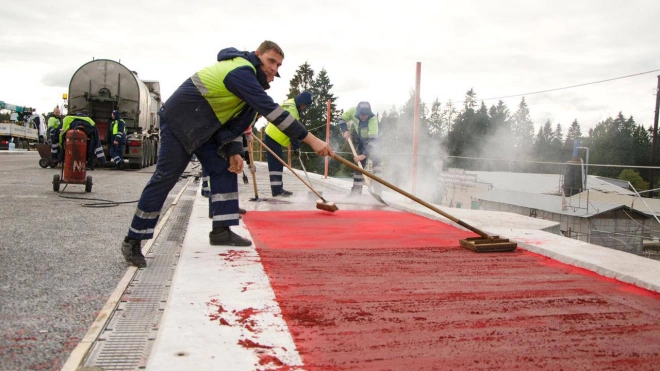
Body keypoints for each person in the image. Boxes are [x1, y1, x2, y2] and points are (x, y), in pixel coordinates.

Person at [121, 40, 334, 268]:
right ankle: (134, 239)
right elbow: (272, 111)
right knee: (166, 177)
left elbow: (235, 122)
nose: (274, 68)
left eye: (279, 65)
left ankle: (221, 230)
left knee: (225, 168)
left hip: (206, 126)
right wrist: (311, 139)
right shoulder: (241, 71)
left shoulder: (252, 83)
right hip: (180, 121)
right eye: (271, 61)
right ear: (257, 55)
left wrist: (233, 150)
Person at [264, 91, 312, 197]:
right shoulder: (293, 111)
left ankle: (278, 189)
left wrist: (296, 147)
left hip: (273, 137)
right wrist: (296, 148)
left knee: (277, 163)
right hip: (273, 137)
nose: (304, 107)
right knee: (275, 164)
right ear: (301, 102)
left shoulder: (291, 104)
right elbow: (292, 131)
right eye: (305, 105)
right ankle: (276, 191)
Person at [338, 101, 382, 197]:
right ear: (358, 113)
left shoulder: (373, 119)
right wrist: (345, 130)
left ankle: (378, 193)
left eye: (366, 115)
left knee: (377, 165)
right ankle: (356, 193)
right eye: (362, 115)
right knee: (358, 166)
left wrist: (364, 155)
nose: (364, 117)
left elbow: (372, 141)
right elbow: (341, 118)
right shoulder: (352, 111)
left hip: (373, 141)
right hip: (360, 140)